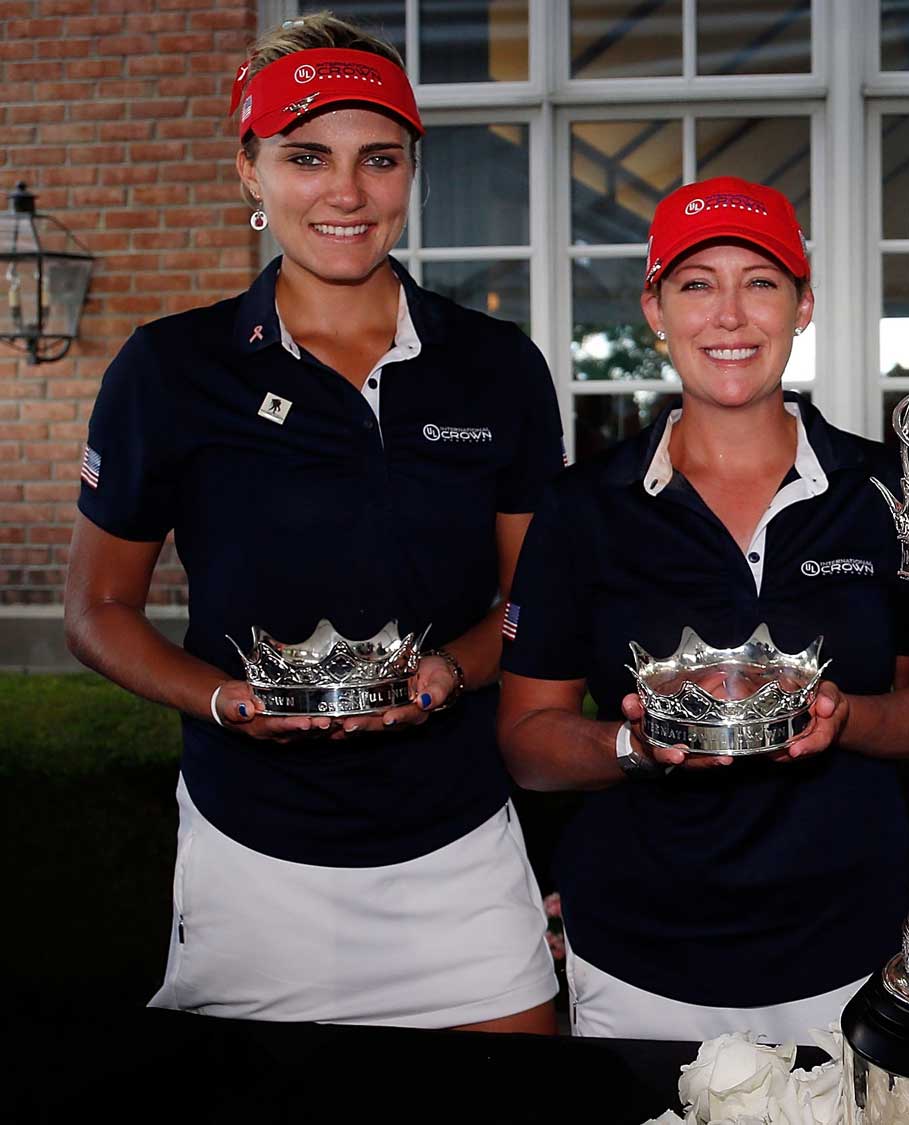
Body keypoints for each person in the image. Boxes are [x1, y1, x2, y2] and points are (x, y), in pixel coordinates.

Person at [65, 15, 563, 1031]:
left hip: (457, 837)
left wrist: (454, 672)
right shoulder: (170, 370)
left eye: (377, 160)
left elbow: (533, 605)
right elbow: (96, 609)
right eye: (307, 157)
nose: (346, 194)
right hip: (252, 845)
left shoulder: (497, 364)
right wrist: (224, 702)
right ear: (250, 169)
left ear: (410, 169)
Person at [497, 176, 909, 1042]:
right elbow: (529, 740)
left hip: (853, 952)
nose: (730, 315)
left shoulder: (893, 495)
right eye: (697, 283)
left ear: (804, 304)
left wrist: (844, 717)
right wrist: (634, 745)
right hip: (639, 955)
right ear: (656, 309)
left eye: (761, 282)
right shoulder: (583, 508)